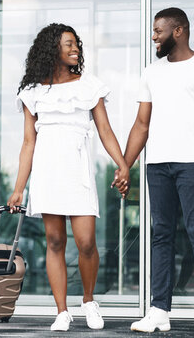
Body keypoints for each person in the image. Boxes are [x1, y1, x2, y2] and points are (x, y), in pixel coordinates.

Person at [121, 8, 194, 335]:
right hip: (157, 164)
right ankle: (159, 310)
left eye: (159, 31)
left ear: (179, 31)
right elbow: (141, 125)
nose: (154, 37)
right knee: (161, 234)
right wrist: (125, 165)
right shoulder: (151, 73)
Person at [7, 23, 129, 332]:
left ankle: (88, 301)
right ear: (52, 50)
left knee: (86, 242)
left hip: (78, 170)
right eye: (68, 44)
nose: (75, 49)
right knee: (55, 240)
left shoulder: (89, 86)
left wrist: (123, 164)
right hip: (48, 171)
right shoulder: (33, 93)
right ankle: (61, 310)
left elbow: (105, 131)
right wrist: (18, 189)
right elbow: (27, 143)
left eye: (77, 44)